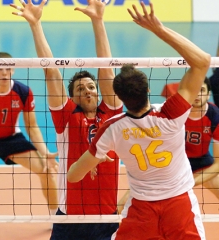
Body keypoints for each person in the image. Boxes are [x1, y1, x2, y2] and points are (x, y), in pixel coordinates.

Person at [67, 2, 211, 240]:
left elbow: (73, 176)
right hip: (180, 205)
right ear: (147, 89)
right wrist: (158, 29)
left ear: (120, 97)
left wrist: (98, 157)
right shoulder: (171, 114)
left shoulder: (111, 129)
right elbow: (202, 61)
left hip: (141, 211)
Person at [10, 0, 122, 239]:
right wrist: (36, 24)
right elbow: (51, 71)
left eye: (91, 87)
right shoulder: (67, 117)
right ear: (72, 98)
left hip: (106, 218)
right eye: (81, 89)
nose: (88, 90)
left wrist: (98, 20)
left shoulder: (111, 114)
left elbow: (107, 71)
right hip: (69, 218)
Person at [0, 52, 58, 213]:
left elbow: (32, 126)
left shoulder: (23, 91)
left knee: (46, 171)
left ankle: (55, 218)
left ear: (13, 70)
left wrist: (45, 153)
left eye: (8, 68)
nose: (4, 72)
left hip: (10, 139)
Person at [186, 77, 219, 199]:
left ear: (208, 94)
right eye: (194, 90)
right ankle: (121, 213)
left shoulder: (215, 117)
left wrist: (193, 182)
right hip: (176, 162)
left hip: (202, 161)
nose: (198, 94)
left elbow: (218, 164)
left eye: (202, 90)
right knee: (141, 191)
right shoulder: (178, 111)